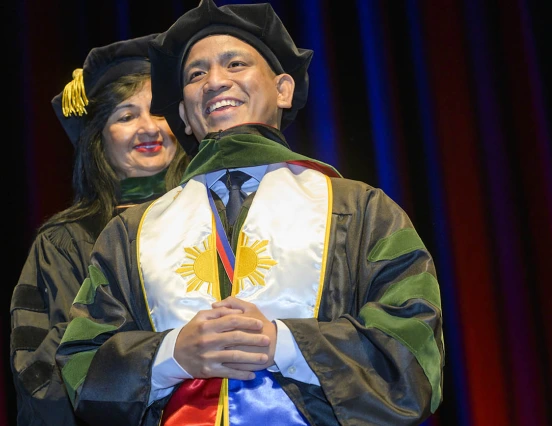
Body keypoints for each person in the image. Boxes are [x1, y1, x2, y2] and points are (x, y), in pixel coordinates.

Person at [55, 1, 444, 425]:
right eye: (196, 74)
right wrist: (173, 354)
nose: (215, 82)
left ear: (283, 89)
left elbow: (413, 349)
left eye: (235, 63)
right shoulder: (129, 233)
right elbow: (80, 367)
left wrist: (283, 343)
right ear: (183, 114)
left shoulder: (362, 210)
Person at [10, 34, 190, 426]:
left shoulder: (211, 217)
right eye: (126, 116)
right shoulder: (66, 241)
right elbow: (44, 374)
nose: (148, 128)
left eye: (158, 112)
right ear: (99, 140)